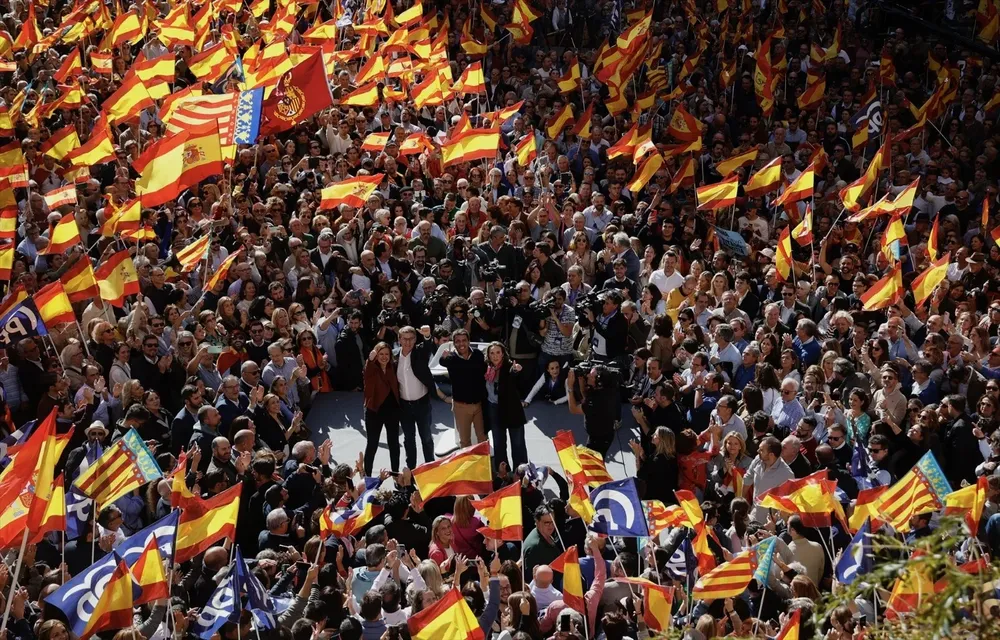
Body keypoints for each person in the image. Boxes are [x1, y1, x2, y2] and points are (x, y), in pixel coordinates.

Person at [483, 342, 528, 472]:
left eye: (498, 352)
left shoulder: (509, 366)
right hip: (494, 409)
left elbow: (515, 375)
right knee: (498, 444)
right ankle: (503, 474)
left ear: (503, 354)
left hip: (511, 410)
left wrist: (516, 370)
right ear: (488, 355)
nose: (495, 356)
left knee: (518, 444)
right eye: (492, 353)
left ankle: (521, 474)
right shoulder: (486, 368)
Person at [395, 326, 436, 468]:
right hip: (404, 407)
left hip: (422, 404)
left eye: (411, 338)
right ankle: (411, 469)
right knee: (409, 439)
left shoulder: (420, 353)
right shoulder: (394, 358)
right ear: (399, 339)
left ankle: (430, 467)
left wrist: (427, 336)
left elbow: (428, 347)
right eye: (404, 338)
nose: (408, 342)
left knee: (426, 438)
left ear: (415, 339)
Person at [439, 329, 487, 448]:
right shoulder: (450, 358)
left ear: (469, 341)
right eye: (458, 341)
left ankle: (483, 466)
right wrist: (443, 356)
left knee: (483, 439)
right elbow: (441, 361)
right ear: (454, 343)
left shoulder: (478, 355)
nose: (461, 344)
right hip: (461, 406)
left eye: (464, 340)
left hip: (479, 405)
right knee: (465, 441)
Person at [363, 342, 401, 475]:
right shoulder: (371, 368)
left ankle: (395, 473)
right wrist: (370, 358)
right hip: (374, 411)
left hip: (392, 411)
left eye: (386, 354)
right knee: (372, 444)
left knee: (394, 444)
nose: (384, 357)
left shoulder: (393, 367)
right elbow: (368, 366)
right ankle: (367, 475)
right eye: (381, 354)